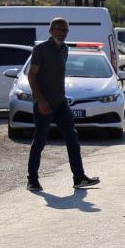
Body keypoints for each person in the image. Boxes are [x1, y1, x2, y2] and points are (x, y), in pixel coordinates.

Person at [26, 17, 101, 192]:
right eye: (59, 29)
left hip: (60, 102)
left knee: (72, 138)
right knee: (40, 140)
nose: (62, 33)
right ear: (51, 30)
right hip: (44, 103)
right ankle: (32, 179)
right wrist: (41, 100)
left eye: (65, 30)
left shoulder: (65, 49)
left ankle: (79, 177)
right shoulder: (40, 49)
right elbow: (32, 76)